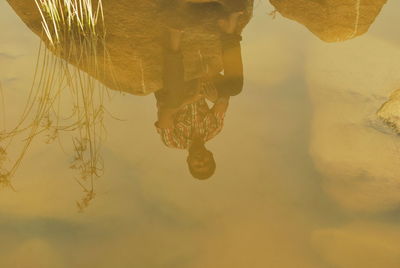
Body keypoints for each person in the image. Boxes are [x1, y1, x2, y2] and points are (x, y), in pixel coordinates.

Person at [155, 1, 246, 179]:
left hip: (175, 91)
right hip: (201, 87)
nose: (201, 161)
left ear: (189, 162)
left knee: (172, 99)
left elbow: (165, 114)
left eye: (198, 165)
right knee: (235, 87)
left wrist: (188, 100)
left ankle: (174, 39)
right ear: (210, 156)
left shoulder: (173, 141)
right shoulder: (213, 129)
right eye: (206, 163)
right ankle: (229, 31)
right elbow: (223, 102)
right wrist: (215, 97)